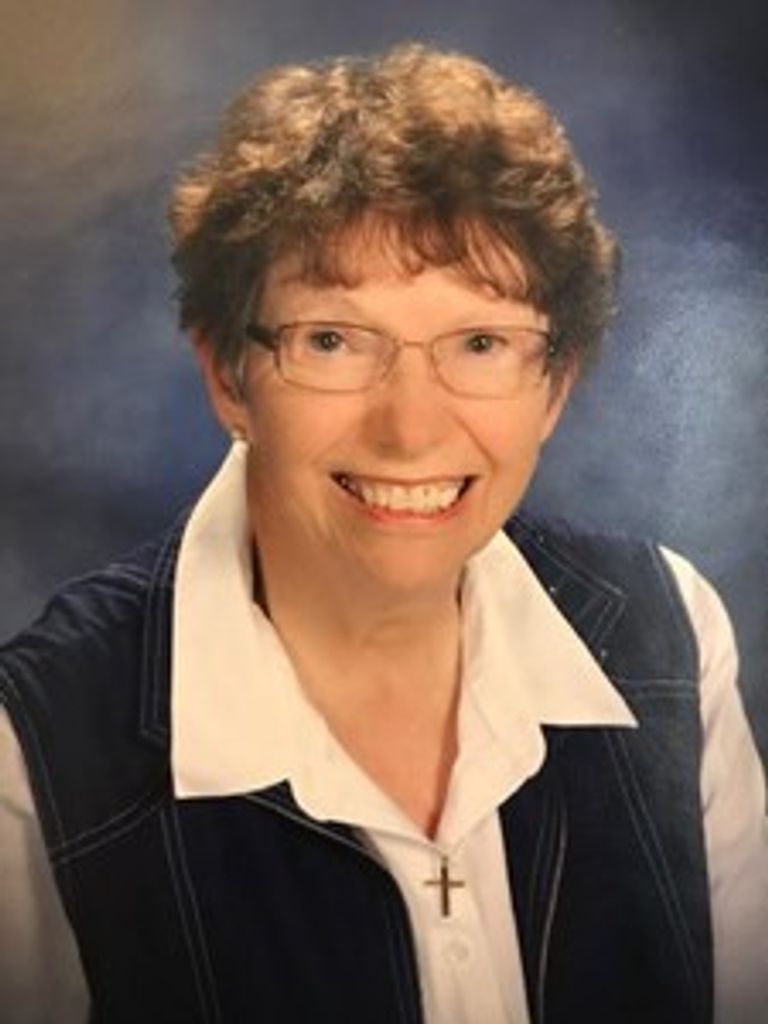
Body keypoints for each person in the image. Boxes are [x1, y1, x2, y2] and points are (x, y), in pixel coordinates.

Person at [0, 43, 766, 1024]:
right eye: (332, 340)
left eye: (481, 343)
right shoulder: (34, 749)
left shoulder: (671, 639)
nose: (410, 428)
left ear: (554, 387)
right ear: (228, 376)